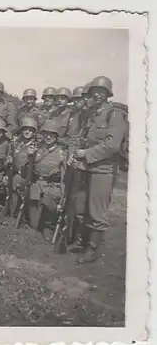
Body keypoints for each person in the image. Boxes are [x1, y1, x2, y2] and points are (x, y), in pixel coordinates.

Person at [69, 75, 128, 264]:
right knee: (82, 206)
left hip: (103, 169)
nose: (96, 96)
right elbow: (79, 137)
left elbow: (112, 145)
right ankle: (83, 242)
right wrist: (73, 153)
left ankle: (92, 250)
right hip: (86, 167)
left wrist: (86, 153)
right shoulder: (91, 114)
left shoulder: (115, 114)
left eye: (101, 92)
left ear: (107, 94)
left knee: (96, 211)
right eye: (94, 92)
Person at [28, 120, 67, 241]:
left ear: (57, 136)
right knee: (34, 225)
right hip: (37, 183)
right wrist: (30, 156)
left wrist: (63, 195)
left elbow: (64, 177)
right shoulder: (36, 147)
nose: (48, 137)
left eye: (52, 134)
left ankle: (48, 227)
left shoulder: (61, 153)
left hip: (52, 185)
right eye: (46, 134)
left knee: (50, 200)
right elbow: (29, 167)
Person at [9, 116, 38, 217]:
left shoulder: (36, 146)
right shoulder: (17, 143)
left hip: (28, 176)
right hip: (16, 173)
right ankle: (12, 213)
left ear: (34, 132)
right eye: (25, 129)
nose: (27, 132)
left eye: (30, 130)